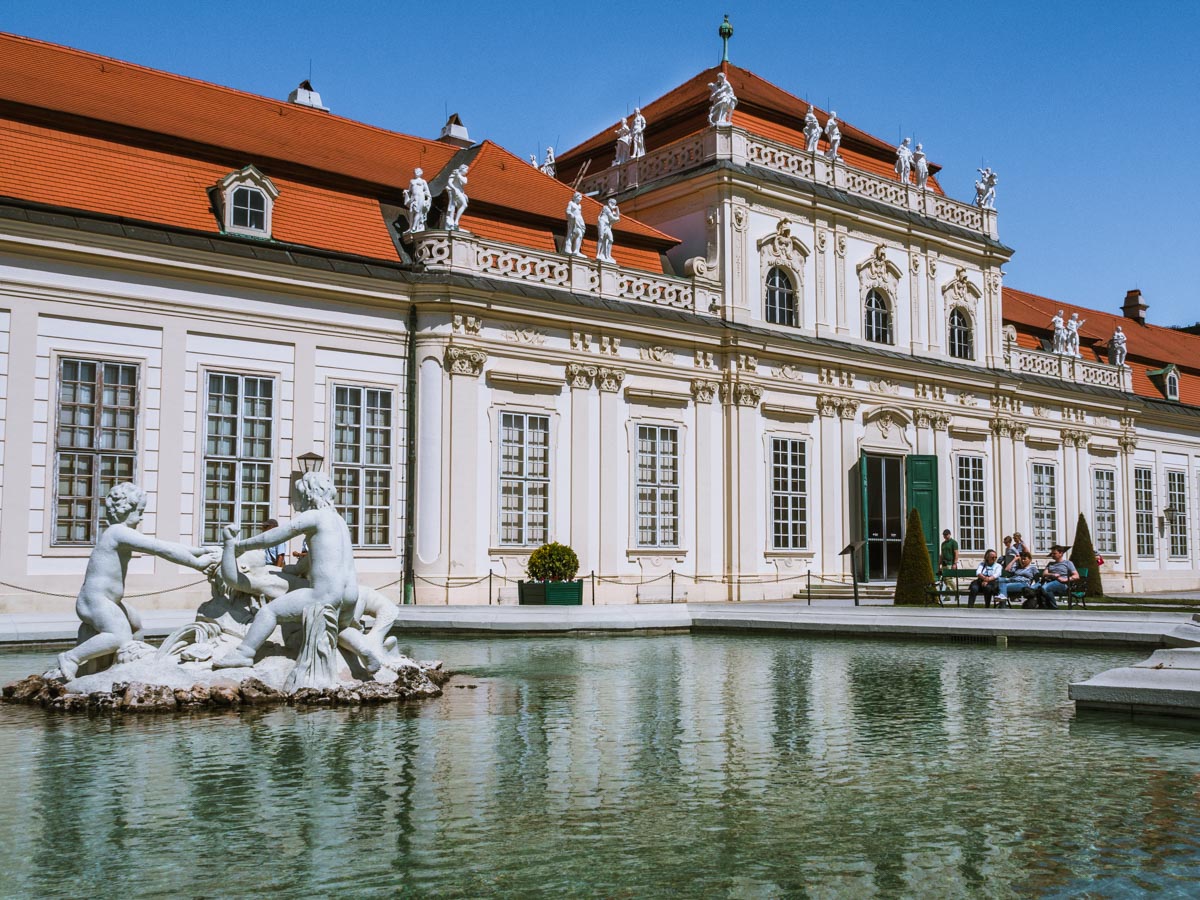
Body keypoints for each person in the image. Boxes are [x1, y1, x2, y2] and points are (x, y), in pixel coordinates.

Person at [56, 483, 218, 680]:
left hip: (108, 601)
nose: (141, 517)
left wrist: (198, 551)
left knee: (136, 626)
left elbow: (165, 545)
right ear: (126, 509)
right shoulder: (118, 532)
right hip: (95, 600)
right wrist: (198, 564)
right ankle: (71, 658)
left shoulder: (119, 532)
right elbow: (161, 549)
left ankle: (126, 663)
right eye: (139, 511)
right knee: (119, 636)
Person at [213, 470, 359, 669]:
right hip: (351, 595)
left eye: (298, 497)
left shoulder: (314, 516)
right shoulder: (340, 521)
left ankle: (243, 653)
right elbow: (324, 558)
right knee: (338, 628)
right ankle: (366, 652)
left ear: (309, 494)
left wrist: (240, 545)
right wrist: (298, 567)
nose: (297, 503)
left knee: (269, 612)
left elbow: (272, 537)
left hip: (324, 594)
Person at [1036, 544, 1080, 609]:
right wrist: (1052, 575)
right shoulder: (1050, 563)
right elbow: (1044, 573)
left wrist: (1065, 580)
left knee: (1044, 588)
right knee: (1033, 589)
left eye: (1054, 553)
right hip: (1049, 581)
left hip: (1061, 583)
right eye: (1052, 553)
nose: (1052, 555)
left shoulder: (1068, 563)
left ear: (1061, 553)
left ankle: (1054, 607)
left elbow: (1076, 576)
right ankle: (1042, 606)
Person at [596, 198, 620, 263]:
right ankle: (598, 254)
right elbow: (613, 218)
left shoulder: (611, 211)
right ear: (609, 203)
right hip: (602, 223)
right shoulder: (606, 208)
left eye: (614, 204)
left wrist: (617, 209)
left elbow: (617, 217)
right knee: (601, 237)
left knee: (610, 239)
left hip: (607, 226)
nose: (613, 205)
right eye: (612, 203)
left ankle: (608, 255)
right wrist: (617, 217)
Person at [564, 192, 585, 256]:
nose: (580, 199)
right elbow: (567, 211)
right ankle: (568, 248)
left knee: (580, 235)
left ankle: (576, 250)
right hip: (573, 220)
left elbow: (579, 213)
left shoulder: (579, 205)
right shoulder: (571, 203)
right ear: (575, 197)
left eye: (581, 198)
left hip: (579, 220)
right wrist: (571, 215)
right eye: (579, 197)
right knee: (571, 234)